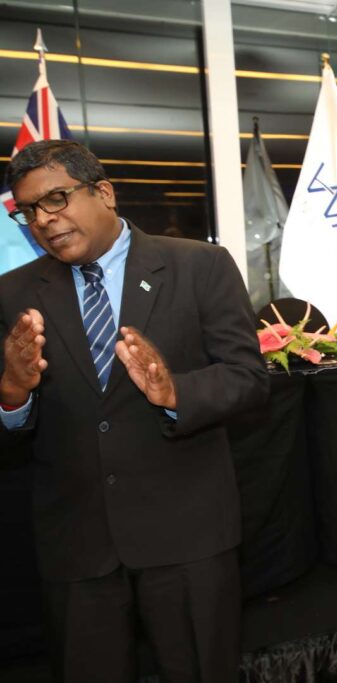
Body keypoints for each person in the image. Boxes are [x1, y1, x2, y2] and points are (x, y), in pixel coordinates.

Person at [0, 140, 268, 682]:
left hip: (187, 534)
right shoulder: (13, 293)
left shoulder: (199, 266)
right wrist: (13, 392)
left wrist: (175, 393)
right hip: (77, 545)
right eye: (28, 211)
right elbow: (13, 427)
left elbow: (248, 379)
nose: (44, 221)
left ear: (104, 192)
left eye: (56, 199)